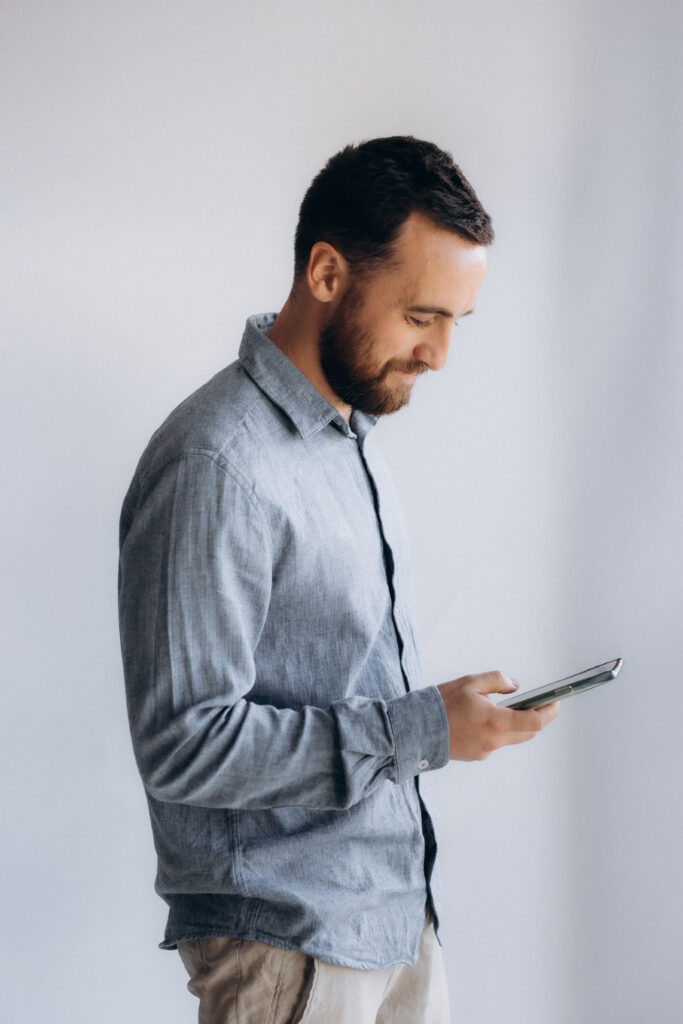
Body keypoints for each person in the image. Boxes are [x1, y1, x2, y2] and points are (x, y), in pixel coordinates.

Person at [118, 136, 559, 1024]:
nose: (438, 355)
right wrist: (421, 729)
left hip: (390, 923)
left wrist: (426, 731)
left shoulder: (343, 441)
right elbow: (184, 745)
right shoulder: (219, 462)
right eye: (420, 317)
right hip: (291, 947)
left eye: (453, 325)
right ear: (326, 273)